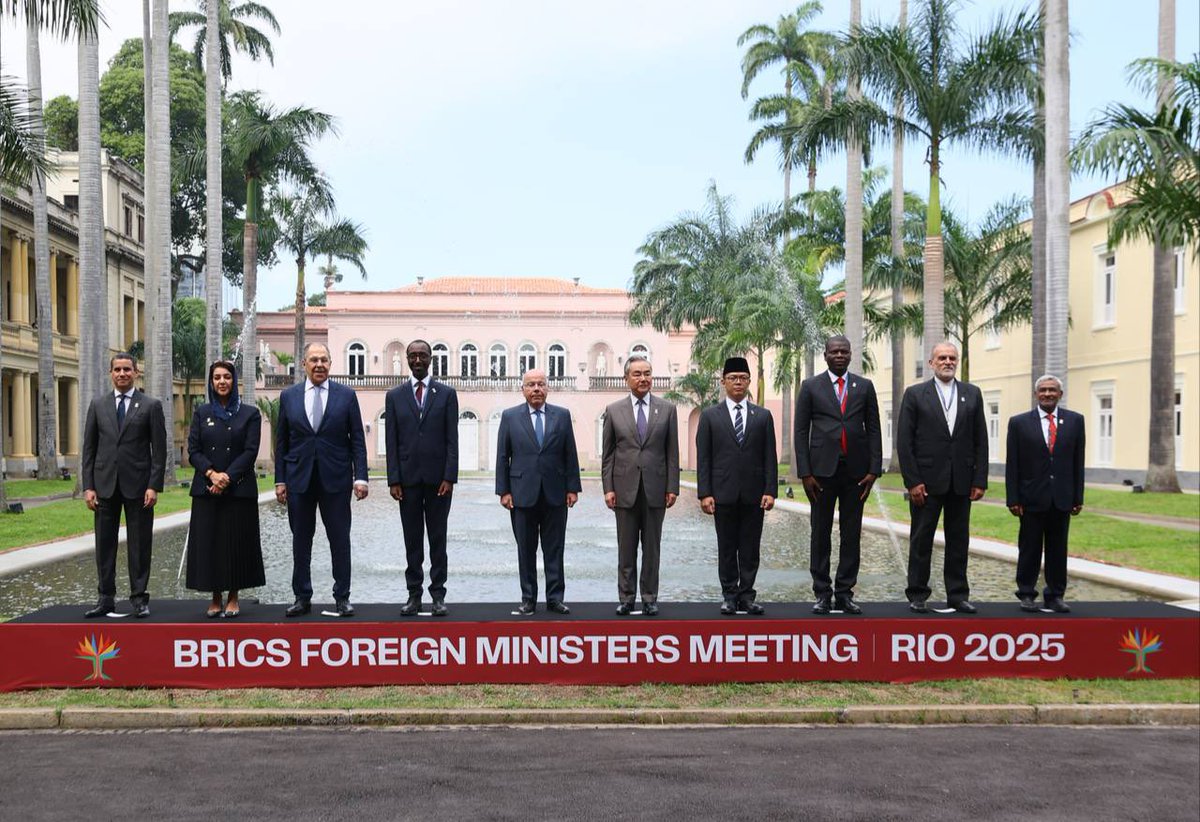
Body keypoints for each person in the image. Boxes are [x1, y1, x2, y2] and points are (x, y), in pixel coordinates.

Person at [275, 342, 369, 618]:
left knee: (339, 540)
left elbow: (358, 442)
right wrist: (280, 480)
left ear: (331, 364)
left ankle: (342, 597)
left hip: (336, 480)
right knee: (300, 540)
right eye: (313, 360)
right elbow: (282, 443)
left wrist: (360, 477)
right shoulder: (288, 396)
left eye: (324, 360)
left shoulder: (346, 396)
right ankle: (302, 597)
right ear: (303, 363)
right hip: (299, 480)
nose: (319, 365)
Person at [897, 341, 988, 613]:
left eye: (952, 358)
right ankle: (917, 594)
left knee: (959, 540)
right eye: (942, 358)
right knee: (921, 539)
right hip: (926, 481)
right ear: (931, 363)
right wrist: (912, 481)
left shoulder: (972, 394)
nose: (948, 362)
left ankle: (958, 595)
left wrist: (979, 479)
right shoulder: (915, 395)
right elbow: (905, 441)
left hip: (961, 481)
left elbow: (980, 440)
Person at [794, 335, 882, 615]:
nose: (840, 355)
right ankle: (822, 593)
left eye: (845, 351)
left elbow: (875, 429)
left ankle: (845, 593)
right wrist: (805, 472)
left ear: (851, 354)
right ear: (826, 355)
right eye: (835, 351)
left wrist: (874, 469)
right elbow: (800, 431)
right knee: (819, 533)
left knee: (851, 534)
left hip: (856, 472)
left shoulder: (864, 387)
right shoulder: (810, 387)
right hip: (821, 473)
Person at [80, 353, 166, 618]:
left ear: (136, 372)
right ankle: (105, 598)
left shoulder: (151, 406)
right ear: (110, 373)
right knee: (104, 545)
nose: (122, 374)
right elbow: (89, 449)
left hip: (139, 487)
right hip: (104, 486)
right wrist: (88, 486)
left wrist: (154, 485)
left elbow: (159, 450)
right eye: (117, 369)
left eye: (127, 369)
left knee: (140, 545)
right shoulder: (98, 405)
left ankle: (139, 598)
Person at [495, 368, 582, 615]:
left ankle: (555, 598)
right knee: (526, 549)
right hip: (522, 494)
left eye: (541, 384)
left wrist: (572, 488)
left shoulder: (562, 416)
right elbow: (503, 455)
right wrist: (504, 491)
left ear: (547, 388)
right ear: (522, 389)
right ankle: (528, 600)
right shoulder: (510, 417)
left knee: (555, 548)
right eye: (531, 384)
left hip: (555, 493)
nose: (536, 389)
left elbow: (570, 454)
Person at [696, 357, 777, 615]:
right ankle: (729, 595)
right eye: (733, 378)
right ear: (723, 382)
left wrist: (770, 490)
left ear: (749, 381)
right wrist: (705, 493)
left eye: (743, 377)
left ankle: (747, 596)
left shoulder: (763, 416)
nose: (738, 382)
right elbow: (704, 458)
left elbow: (769, 457)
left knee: (751, 549)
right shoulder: (710, 416)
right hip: (723, 494)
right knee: (727, 548)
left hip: (754, 495)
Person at [185, 361, 265, 618]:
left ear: (234, 381)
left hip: (238, 490)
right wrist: (211, 474)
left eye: (227, 377)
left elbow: (251, 451)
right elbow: (194, 450)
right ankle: (215, 597)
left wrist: (227, 478)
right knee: (210, 544)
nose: (222, 381)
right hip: (207, 489)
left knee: (236, 544)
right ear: (211, 382)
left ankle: (233, 596)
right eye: (217, 377)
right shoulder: (202, 412)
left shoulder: (249, 414)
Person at [601, 355, 680, 616]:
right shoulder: (613, 410)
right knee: (626, 548)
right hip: (624, 490)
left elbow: (672, 453)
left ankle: (649, 598)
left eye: (647, 373)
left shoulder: (667, 409)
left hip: (656, 489)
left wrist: (673, 487)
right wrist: (608, 488)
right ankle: (626, 597)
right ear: (627, 378)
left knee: (652, 548)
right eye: (637, 374)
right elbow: (608, 454)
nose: (643, 378)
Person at [385, 339, 459, 617]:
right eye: (413, 355)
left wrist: (449, 476)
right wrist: (394, 479)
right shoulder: (394, 396)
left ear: (431, 359)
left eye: (422, 355)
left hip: (439, 482)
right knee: (412, 540)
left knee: (438, 540)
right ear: (406, 358)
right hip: (407, 482)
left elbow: (452, 440)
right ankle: (414, 595)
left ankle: (438, 595)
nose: (418, 360)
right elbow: (391, 440)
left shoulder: (447, 394)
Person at [1006, 375, 1085, 613]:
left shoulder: (1075, 421)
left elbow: (1077, 462)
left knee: (1058, 549)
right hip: (1030, 498)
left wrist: (1077, 497)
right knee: (1029, 548)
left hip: (1061, 497)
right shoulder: (1019, 423)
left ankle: (1055, 595)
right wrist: (1013, 498)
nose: (1047, 394)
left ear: (1060, 394)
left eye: (1052, 390)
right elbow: (1013, 464)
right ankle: (1027, 593)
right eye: (1043, 390)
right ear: (1035, 394)